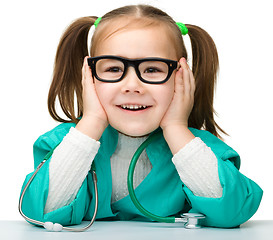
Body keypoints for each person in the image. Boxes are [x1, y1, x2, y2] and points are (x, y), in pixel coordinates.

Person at [20, 4, 262, 228]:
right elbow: (41, 211)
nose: (133, 86)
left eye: (153, 69)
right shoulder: (67, 143)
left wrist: (176, 128)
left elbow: (233, 211)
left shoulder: (196, 149)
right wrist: (92, 122)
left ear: (181, 77)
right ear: (90, 77)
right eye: (113, 68)